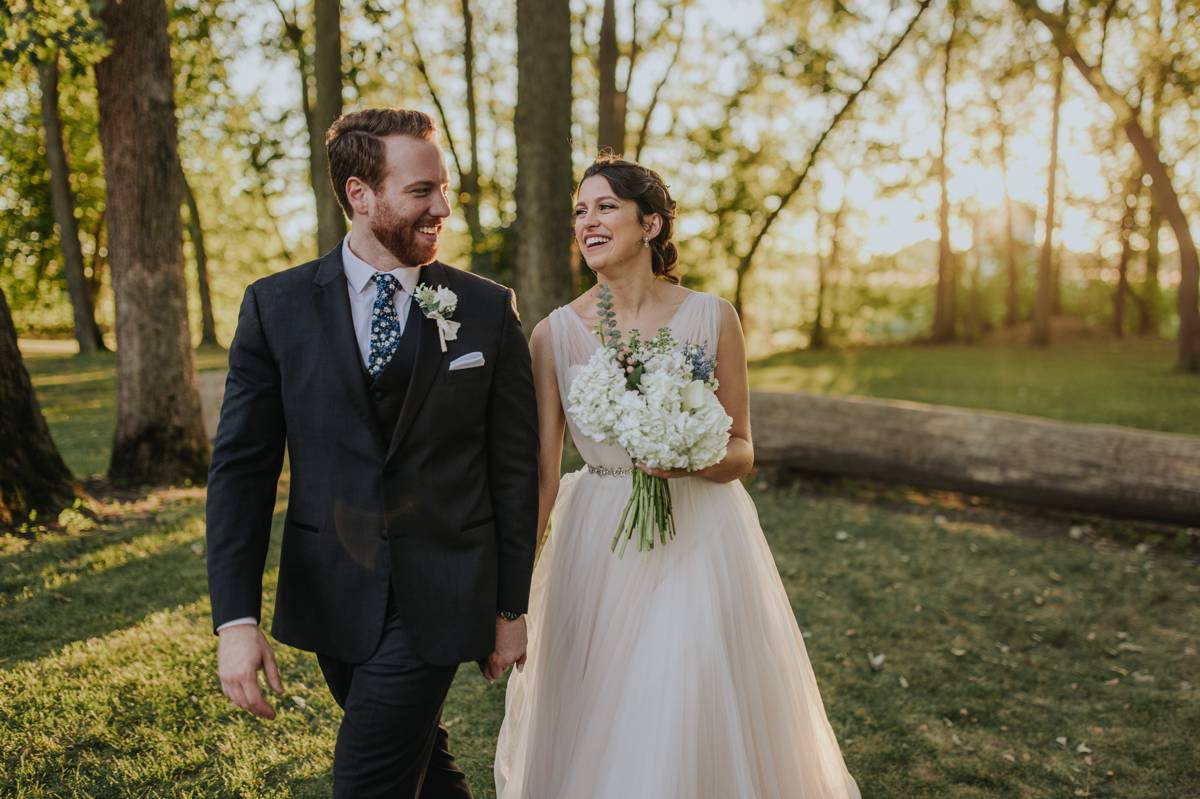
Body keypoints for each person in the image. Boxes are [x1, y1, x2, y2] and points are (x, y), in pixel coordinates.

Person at [494, 154, 861, 798]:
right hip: (597, 543)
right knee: (603, 706)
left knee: (680, 691)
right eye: (580, 211)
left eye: (605, 206)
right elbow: (543, 476)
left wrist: (688, 456)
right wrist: (513, 597)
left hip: (700, 533)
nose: (587, 221)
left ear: (652, 224)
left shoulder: (713, 316)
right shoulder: (553, 336)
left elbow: (743, 450)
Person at [205, 108, 538, 798]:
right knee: (426, 765)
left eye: (443, 189)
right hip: (332, 592)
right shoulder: (276, 306)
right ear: (361, 194)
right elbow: (241, 470)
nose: (441, 206)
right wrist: (236, 620)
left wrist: (511, 604)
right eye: (421, 191)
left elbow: (514, 469)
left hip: (446, 588)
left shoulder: (484, 308)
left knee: (368, 779)